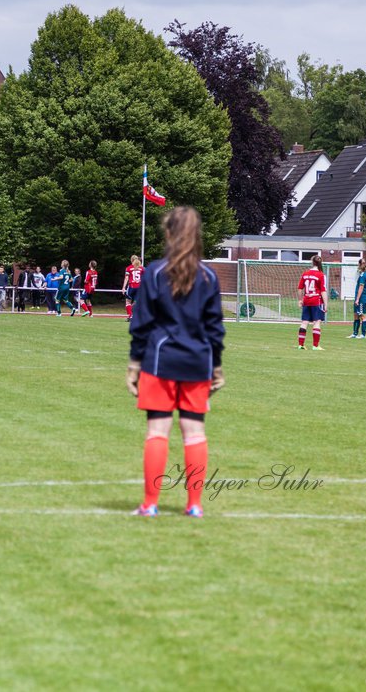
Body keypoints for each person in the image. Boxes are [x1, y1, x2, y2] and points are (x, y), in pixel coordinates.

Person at [126, 206, 225, 518]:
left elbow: (141, 323)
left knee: (158, 430)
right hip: (198, 363)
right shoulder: (209, 276)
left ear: (168, 233)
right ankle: (194, 505)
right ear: (197, 236)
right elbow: (214, 328)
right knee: (194, 432)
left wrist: (134, 364)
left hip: (159, 362)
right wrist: (217, 367)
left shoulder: (154, 272)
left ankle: (150, 504)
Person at [297, 254, 327, 350]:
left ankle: (301, 345)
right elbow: (323, 291)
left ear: (312, 262)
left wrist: (300, 300)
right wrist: (326, 304)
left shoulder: (305, 274)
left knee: (304, 322)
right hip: (316, 300)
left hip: (306, 300)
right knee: (317, 321)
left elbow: (300, 289)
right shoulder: (321, 275)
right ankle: (315, 345)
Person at [349, 260, 366, 339]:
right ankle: (355, 333)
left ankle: (363, 334)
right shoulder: (362, 274)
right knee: (356, 315)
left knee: (362, 315)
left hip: (361, 298)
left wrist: (357, 299)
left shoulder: (363, 275)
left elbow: (361, 287)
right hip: (359, 297)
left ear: (360, 265)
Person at [123, 255, 144, 321]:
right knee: (135, 302)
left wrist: (123, 287)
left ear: (131, 260)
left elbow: (126, 278)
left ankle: (130, 315)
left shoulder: (128, 268)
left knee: (128, 302)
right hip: (139, 287)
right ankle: (133, 315)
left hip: (131, 286)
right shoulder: (142, 268)